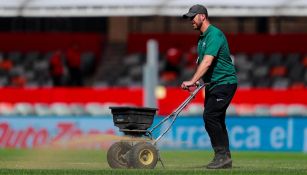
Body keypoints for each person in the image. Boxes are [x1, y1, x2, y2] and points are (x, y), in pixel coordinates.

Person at [181, 4, 238, 169]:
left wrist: (192, 80)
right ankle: (225, 158)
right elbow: (205, 65)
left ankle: (221, 156)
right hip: (213, 84)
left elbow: (207, 62)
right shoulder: (202, 38)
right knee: (217, 119)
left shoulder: (214, 34)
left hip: (225, 83)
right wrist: (200, 81)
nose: (191, 20)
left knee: (210, 117)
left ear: (203, 16)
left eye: (193, 16)